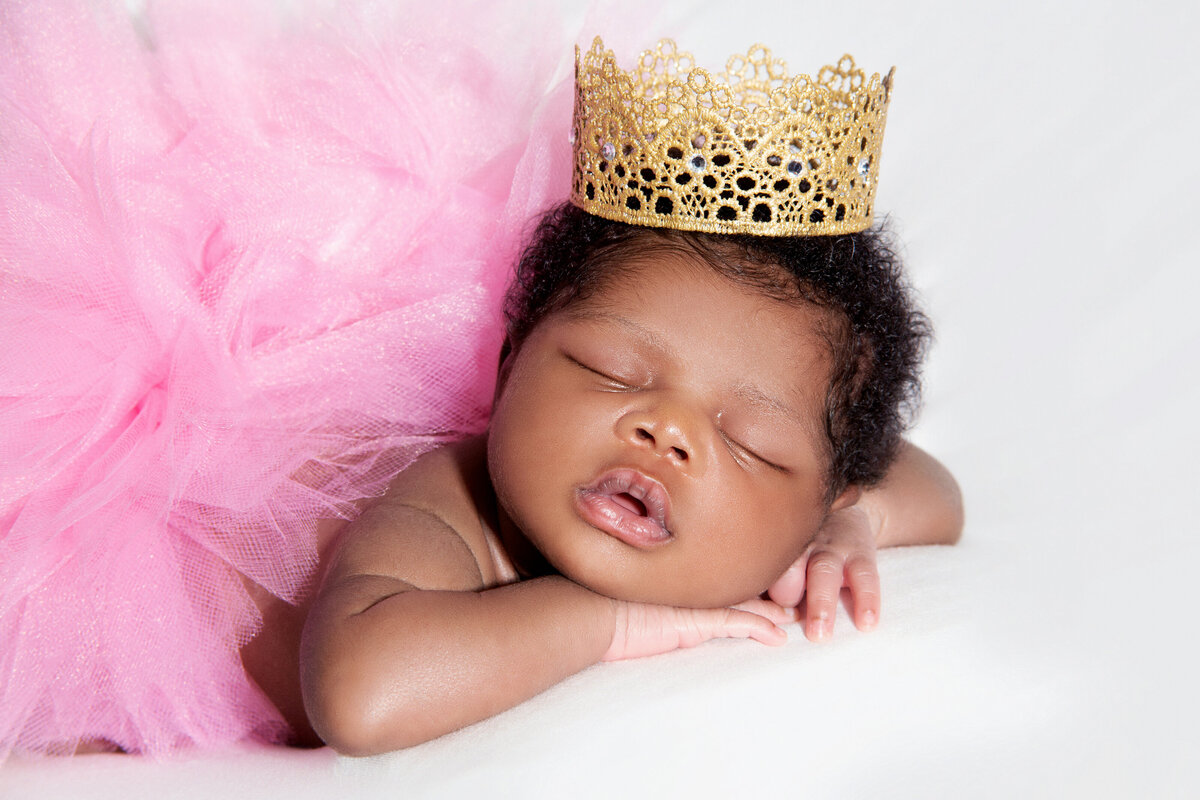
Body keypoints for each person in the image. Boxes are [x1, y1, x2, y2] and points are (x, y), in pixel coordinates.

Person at [286, 39, 964, 755]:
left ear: (826, 498)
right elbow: (362, 698)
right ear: (508, 361)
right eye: (611, 371)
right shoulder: (445, 510)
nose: (665, 428)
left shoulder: (825, 504)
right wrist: (606, 620)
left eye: (749, 444)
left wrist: (849, 529)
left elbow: (933, 491)